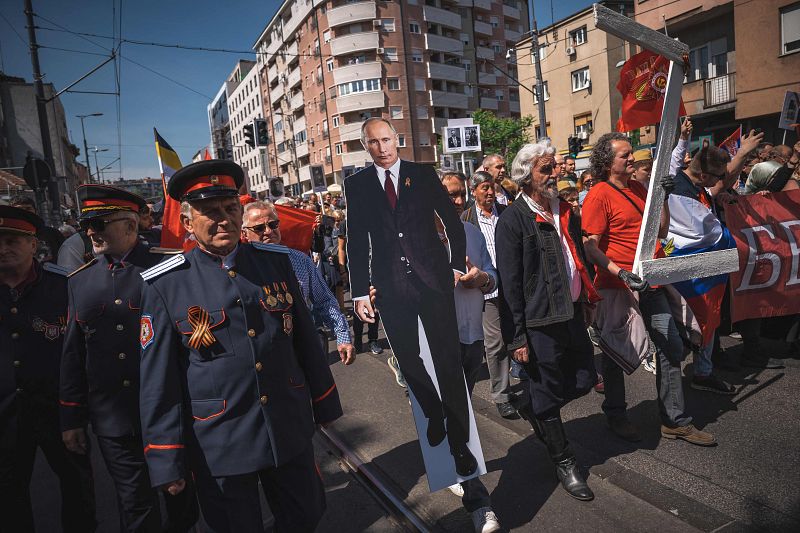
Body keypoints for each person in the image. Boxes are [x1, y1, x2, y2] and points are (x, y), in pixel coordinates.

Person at [138, 160, 342, 532]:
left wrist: (324, 401)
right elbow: (158, 381)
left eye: (230, 209)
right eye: (210, 212)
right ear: (187, 223)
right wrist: (166, 457)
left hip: (285, 425)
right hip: (220, 439)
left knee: (307, 513)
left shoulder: (275, 264)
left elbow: (305, 342)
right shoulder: (164, 285)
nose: (224, 220)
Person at [60, 185, 197, 532]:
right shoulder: (80, 282)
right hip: (113, 418)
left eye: (101, 223)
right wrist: (71, 417)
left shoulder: (168, 268)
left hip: (170, 411)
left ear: (131, 225)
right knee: (134, 505)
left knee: (181, 502)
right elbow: (73, 354)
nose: (91, 231)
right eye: (87, 224)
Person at [345, 117, 476, 476]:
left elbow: (451, 221)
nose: (382, 147)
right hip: (390, 287)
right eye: (374, 142)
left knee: (448, 363)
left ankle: (459, 445)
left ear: (396, 140)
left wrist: (453, 267)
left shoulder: (421, 173)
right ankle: (433, 411)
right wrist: (359, 293)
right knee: (407, 359)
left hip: (434, 281)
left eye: (387, 139)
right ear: (366, 146)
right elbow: (356, 240)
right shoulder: (356, 185)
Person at [582, 132, 715, 446]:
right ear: (606, 163)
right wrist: (621, 273)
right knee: (617, 354)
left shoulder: (640, 188)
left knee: (670, 346)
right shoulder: (598, 195)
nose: (632, 159)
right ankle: (615, 413)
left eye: (631, 154)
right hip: (618, 288)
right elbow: (590, 248)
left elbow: (662, 229)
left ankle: (675, 421)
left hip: (651, 284)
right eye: (624, 155)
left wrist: (664, 199)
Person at [495, 141, 599, 501]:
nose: (555, 173)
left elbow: (577, 258)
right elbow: (509, 285)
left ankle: (535, 407)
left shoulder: (566, 211)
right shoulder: (512, 221)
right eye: (546, 169)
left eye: (554, 166)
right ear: (526, 177)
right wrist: (517, 337)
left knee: (586, 378)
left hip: (570, 313)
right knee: (547, 391)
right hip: (539, 324)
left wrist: (584, 297)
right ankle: (564, 459)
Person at [0, 206, 96, 532]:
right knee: (9, 500)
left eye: (12, 240)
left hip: (59, 411)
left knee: (79, 493)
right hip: (5, 416)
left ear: (33, 244)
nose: (3, 248)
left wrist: (79, 412)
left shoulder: (64, 286)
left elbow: (83, 351)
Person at [440, 172, 502, 533]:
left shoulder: (474, 234)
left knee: (456, 415)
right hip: (435, 343)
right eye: (450, 195)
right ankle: (479, 503)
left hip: (471, 338)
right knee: (459, 417)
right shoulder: (413, 240)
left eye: (461, 194)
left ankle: (453, 467)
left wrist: (478, 277)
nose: (459, 201)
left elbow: (493, 279)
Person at [240, 199, 355, 365]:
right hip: (260, 357)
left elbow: (325, 300)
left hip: (302, 347)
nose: (268, 231)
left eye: (273, 224)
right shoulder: (238, 268)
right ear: (244, 234)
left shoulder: (300, 260)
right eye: (259, 228)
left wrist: (343, 336)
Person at [460, 171, 515, 419]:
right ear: (474, 191)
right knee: (495, 343)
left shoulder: (506, 214)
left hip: (510, 287)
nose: (490, 192)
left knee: (515, 336)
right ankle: (502, 395)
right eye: (484, 188)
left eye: (492, 188)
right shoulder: (466, 221)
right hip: (485, 290)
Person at [11, 195, 65, 263]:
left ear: (35, 211)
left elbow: (66, 258)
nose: (24, 212)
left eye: (28, 209)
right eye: (19, 209)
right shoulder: (6, 236)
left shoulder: (53, 234)